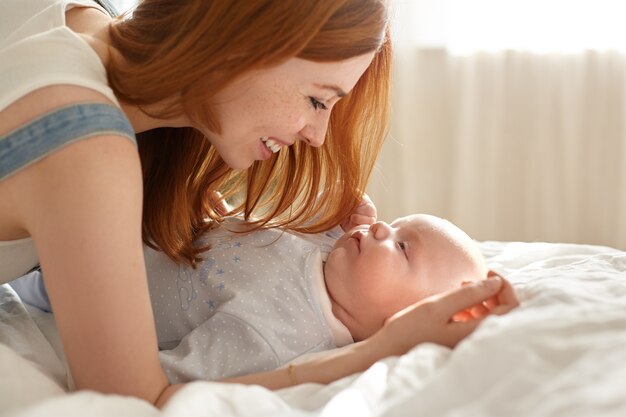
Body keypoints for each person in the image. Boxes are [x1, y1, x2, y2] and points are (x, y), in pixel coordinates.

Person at [0, 0, 515, 407]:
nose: (317, 135)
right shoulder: (87, 148)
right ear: (242, 44)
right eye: (318, 100)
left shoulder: (78, 20)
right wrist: (380, 349)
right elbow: (136, 404)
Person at [11, 214, 518, 382]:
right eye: (399, 222)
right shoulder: (328, 250)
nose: (383, 227)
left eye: (404, 247)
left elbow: (172, 374)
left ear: (404, 317)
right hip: (117, 216)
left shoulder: (279, 332)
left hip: (66, 275)